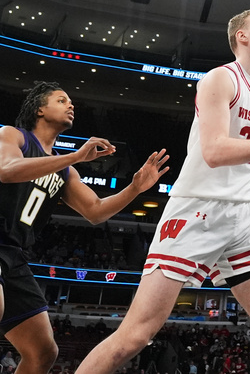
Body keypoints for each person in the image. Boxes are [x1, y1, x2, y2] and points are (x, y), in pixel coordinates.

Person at [78, 8, 250, 374]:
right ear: (241, 36)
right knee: (135, 335)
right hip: (195, 212)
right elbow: (214, 152)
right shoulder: (220, 80)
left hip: (244, 217)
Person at [0, 82, 169, 373]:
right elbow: (6, 170)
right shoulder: (14, 136)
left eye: (71, 101)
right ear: (40, 109)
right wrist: (76, 155)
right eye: (61, 100)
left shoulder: (66, 171)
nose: (71, 105)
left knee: (43, 352)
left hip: (15, 255)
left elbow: (95, 211)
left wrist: (134, 188)